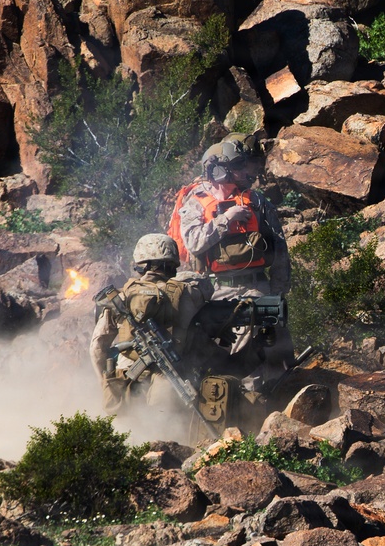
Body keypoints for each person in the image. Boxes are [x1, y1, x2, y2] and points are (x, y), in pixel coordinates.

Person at [174, 135, 293, 394]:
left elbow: (279, 248)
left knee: (269, 351)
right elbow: (193, 242)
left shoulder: (257, 201)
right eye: (238, 166)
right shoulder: (195, 203)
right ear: (219, 170)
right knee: (219, 353)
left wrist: (277, 292)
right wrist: (226, 219)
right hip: (216, 291)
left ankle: (265, 403)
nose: (246, 171)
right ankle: (227, 400)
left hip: (256, 286)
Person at [89, 233, 221, 416]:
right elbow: (206, 288)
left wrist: (104, 381)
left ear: (140, 263)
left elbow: (97, 346)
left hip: (125, 379)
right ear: (173, 263)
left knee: (125, 427)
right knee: (165, 427)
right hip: (169, 380)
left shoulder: (120, 297)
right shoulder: (189, 294)